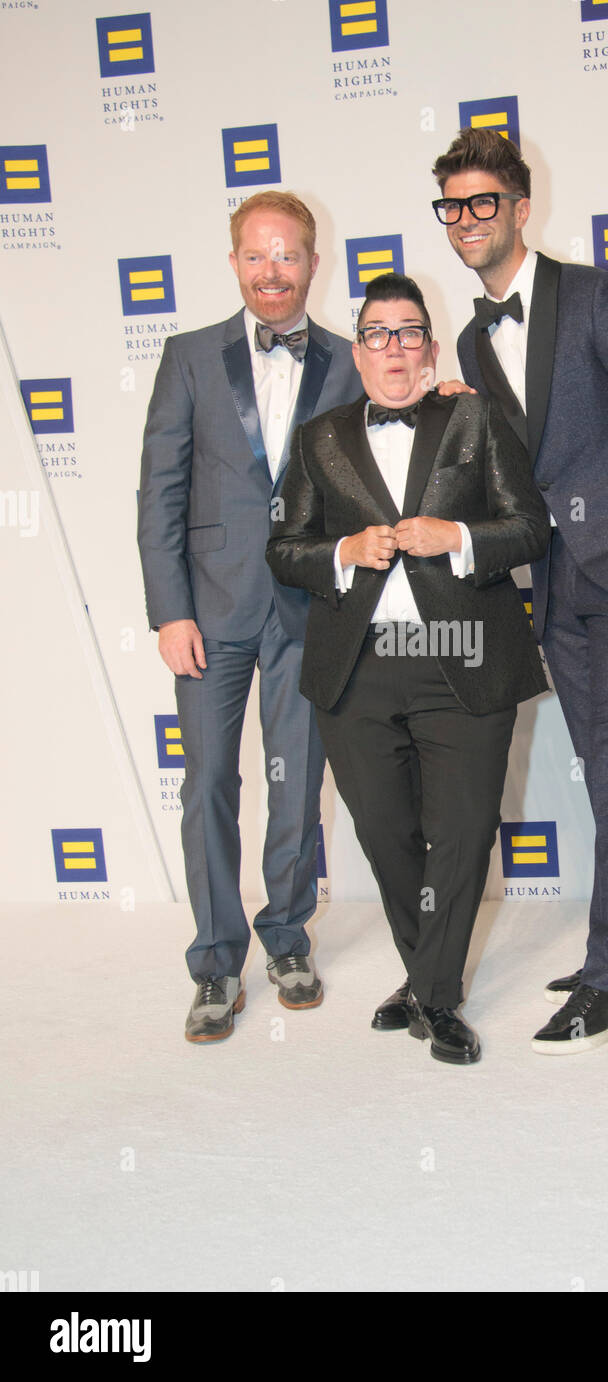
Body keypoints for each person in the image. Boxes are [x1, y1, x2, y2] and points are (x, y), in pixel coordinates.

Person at [431, 129, 608, 1054]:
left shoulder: (594, 296)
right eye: (452, 207)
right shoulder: (474, 335)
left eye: (482, 203)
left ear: (518, 207)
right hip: (555, 580)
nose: (467, 220)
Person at [265, 273, 549, 1065]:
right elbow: (283, 551)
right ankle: (429, 977)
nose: (394, 346)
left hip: (460, 657)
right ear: (358, 352)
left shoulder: (475, 416)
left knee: (459, 832)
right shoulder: (319, 438)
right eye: (377, 333)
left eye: (409, 331)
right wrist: (343, 554)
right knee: (388, 835)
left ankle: (435, 994)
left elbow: (530, 530)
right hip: (358, 668)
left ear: (429, 343)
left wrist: (456, 538)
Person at [138, 190, 364, 1043]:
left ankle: (288, 936)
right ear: (235, 262)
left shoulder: (346, 361)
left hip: (310, 606)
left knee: (297, 783)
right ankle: (215, 962)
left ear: (314, 262)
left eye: (290, 255)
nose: (274, 272)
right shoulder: (189, 356)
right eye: (258, 256)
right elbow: (160, 489)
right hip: (210, 609)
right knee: (207, 787)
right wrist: (168, 610)